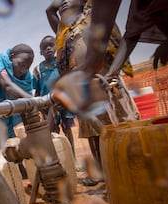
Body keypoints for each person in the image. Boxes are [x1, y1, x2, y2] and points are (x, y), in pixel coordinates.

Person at [46, 0, 139, 185]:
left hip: (107, 86)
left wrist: (112, 72)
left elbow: (121, 42)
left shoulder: (96, 18)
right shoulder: (66, 31)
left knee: (121, 131)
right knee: (94, 136)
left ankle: (132, 172)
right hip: (85, 92)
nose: (64, 2)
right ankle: (105, 175)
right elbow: (49, 10)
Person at [33, 35, 75, 155]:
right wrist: (40, 106)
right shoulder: (38, 70)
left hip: (65, 103)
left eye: (51, 45)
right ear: (41, 52)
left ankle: (73, 158)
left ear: (56, 47)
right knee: (52, 132)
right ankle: (59, 158)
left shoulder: (62, 64)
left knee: (68, 130)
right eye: (45, 47)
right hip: (48, 106)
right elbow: (37, 91)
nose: (48, 49)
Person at [0, 43, 34, 138]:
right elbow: (7, 85)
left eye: (27, 67)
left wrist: (30, 133)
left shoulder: (26, 78)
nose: (23, 70)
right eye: (20, 64)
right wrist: (36, 101)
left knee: (12, 148)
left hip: (7, 123)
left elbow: (25, 106)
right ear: (11, 57)